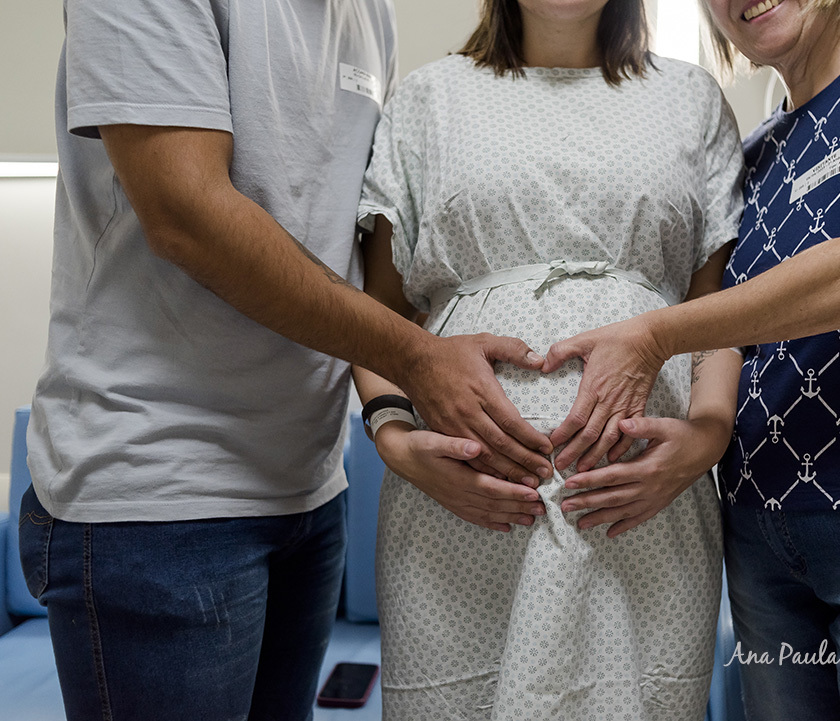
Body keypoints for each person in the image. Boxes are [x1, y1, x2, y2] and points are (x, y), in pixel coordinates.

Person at [18, 1, 561, 719]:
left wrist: (391, 414)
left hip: (307, 488)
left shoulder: (368, 13)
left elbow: (353, 256)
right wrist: (421, 359)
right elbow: (187, 214)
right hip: (157, 493)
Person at [543, 1, 840, 719]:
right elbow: (731, 338)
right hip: (764, 540)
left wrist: (654, 335)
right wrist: (698, 436)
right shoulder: (755, 155)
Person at [352, 0, 745, 716]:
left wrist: (706, 441)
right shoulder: (427, 99)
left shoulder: (690, 101)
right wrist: (395, 439)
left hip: (640, 511)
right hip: (460, 519)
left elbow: (714, 313)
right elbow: (377, 313)